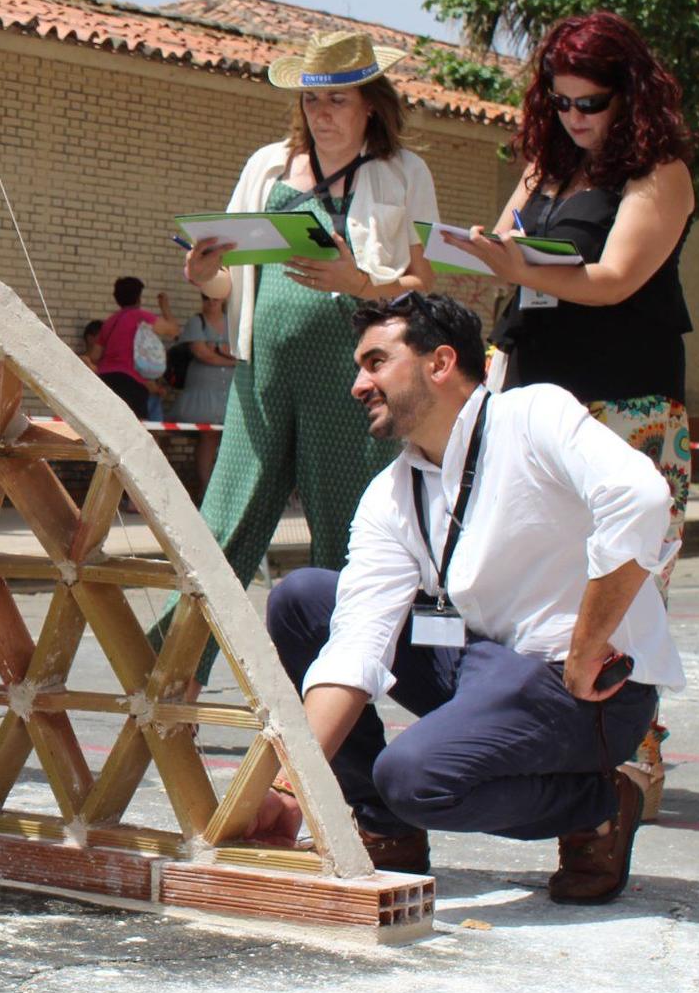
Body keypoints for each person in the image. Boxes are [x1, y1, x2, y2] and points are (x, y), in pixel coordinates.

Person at [257, 294, 678, 903]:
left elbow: (640, 499)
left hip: (582, 689)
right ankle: (386, 827)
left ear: (440, 362)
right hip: (479, 665)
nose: (358, 384)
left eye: (376, 362)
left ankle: (599, 805)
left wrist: (588, 646)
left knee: (414, 776)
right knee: (303, 600)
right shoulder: (391, 492)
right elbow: (355, 644)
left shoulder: (533, 415)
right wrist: (292, 788)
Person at [459, 11, 697, 816]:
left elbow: (615, 279)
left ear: (633, 95)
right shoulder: (544, 170)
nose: (575, 118)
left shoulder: (660, 173)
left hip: (624, 407)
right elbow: (495, 251)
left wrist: (517, 262)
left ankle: (631, 765)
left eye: (591, 102)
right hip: (535, 399)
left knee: (625, 591)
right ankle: (563, 757)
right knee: (542, 588)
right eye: (560, 102)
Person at [179, 30, 439, 596]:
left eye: (337, 100)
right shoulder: (268, 167)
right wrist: (204, 275)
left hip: (357, 378)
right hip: (263, 371)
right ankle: (168, 676)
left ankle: (340, 679)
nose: (321, 113)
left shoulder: (405, 172)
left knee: (348, 532)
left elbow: (422, 282)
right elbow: (228, 275)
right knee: (223, 523)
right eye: (311, 99)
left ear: (371, 102)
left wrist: (361, 283)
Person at [171, 289, 236, 494]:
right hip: (203, 393)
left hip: (229, 391)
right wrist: (229, 358)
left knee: (227, 439)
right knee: (208, 436)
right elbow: (203, 354)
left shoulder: (232, 322)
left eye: (215, 297)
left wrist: (218, 352)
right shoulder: (196, 322)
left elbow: (242, 351)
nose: (211, 302)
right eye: (206, 298)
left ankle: (226, 489)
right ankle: (207, 488)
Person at [91, 277, 180, 418]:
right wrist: (165, 307)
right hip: (131, 381)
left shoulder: (109, 321)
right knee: (134, 429)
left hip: (105, 379)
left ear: (116, 298)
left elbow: (95, 355)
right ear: (139, 297)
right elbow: (174, 331)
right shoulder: (140, 316)